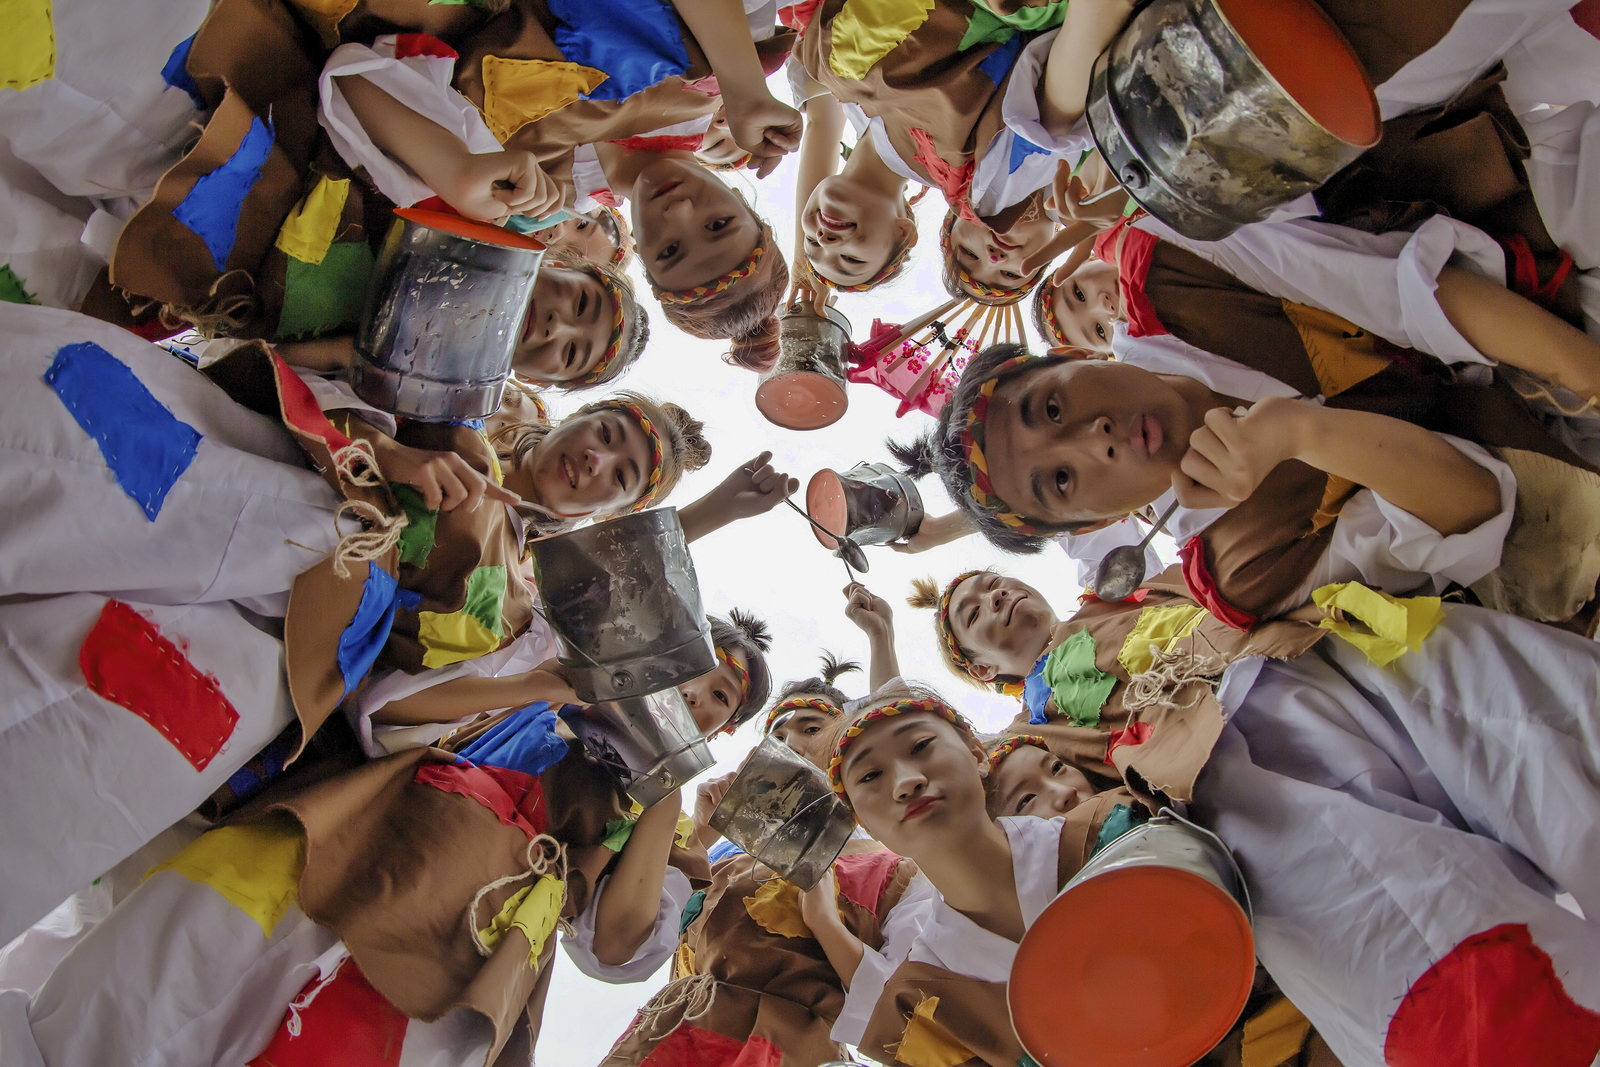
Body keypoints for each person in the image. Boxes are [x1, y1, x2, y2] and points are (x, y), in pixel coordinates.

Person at [603, 587, 932, 1066]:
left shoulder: (897, 870)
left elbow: (902, 1019)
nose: (790, 743)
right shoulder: (721, 859)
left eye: (811, 729)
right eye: (777, 735)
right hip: (667, 1043)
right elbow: (621, 942)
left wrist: (823, 920)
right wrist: (702, 835)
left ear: (850, 745)